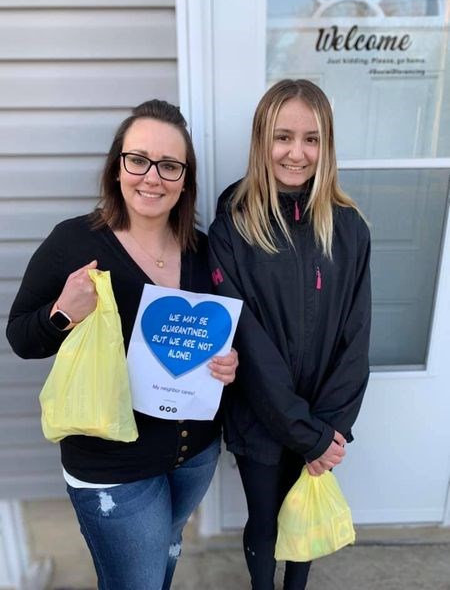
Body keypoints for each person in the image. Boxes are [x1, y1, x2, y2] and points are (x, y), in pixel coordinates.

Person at [7, 99, 238, 590]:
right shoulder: (73, 241)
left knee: (160, 569)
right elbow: (21, 338)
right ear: (117, 167)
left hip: (193, 455)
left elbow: (208, 339)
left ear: (185, 179)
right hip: (113, 465)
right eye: (139, 160)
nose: (152, 177)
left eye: (169, 166)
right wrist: (63, 312)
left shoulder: (200, 250)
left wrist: (226, 363)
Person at [208, 79, 371, 590]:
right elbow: (248, 343)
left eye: (311, 138)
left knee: (305, 519)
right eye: (283, 137)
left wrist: (331, 428)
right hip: (261, 417)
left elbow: (357, 334)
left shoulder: (349, 228)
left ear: (326, 145)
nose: (296, 153)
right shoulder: (234, 226)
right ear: (261, 141)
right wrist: (307, 434)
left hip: (325, 418)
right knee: (265, 520)